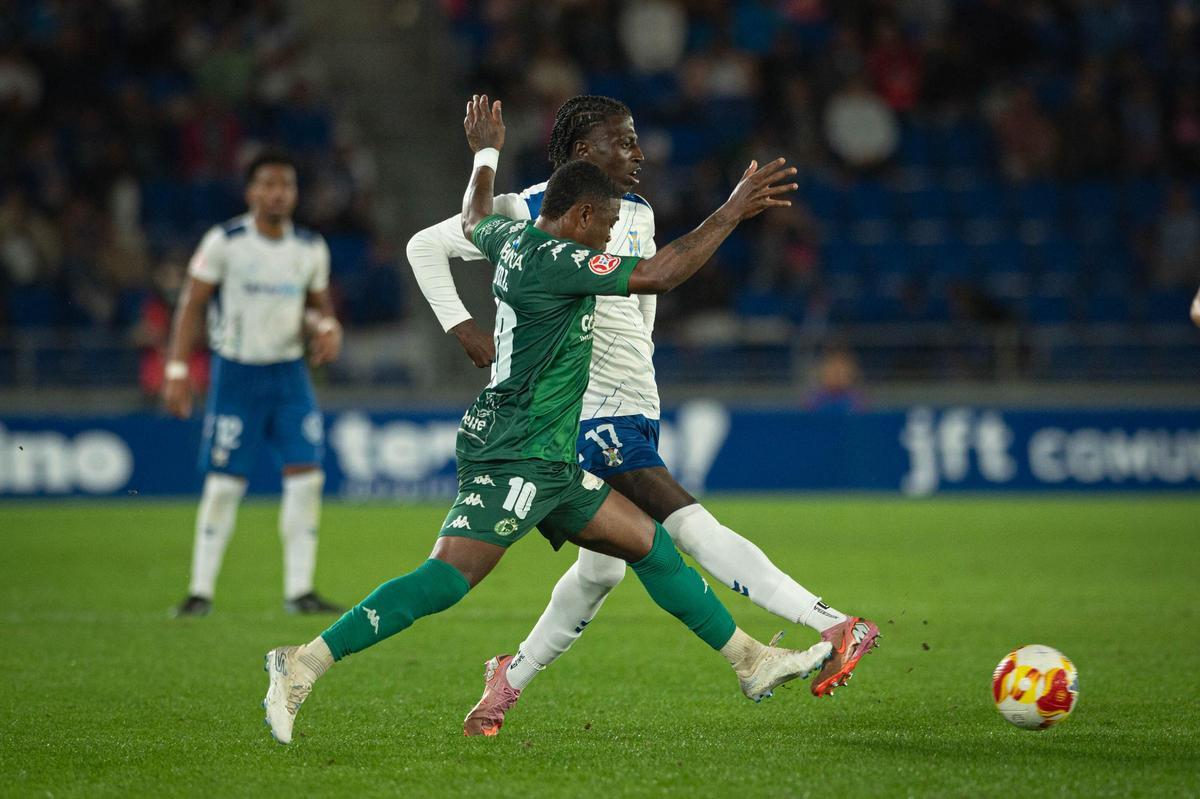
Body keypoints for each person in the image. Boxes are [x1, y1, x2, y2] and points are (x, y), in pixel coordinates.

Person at [261, 95, 832, 745]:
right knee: (446, 579)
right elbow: (662, 273)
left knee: (646, 544)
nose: (610, 234)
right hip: (517, 448)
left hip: (551, 451)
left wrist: (485, 152)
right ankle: (302, 661)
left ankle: (751, 660)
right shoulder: (558, 263)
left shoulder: (511, 233)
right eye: (607, 224)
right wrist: (732, 210)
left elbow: (475, 214)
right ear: (582, 214)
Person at [406, 94, 880, 737]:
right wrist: (463, 326)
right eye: (622, 142)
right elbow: (426, 246)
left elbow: (640, 305)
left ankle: (506, 682)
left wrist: (642, 367)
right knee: (682, 519)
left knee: (601, 568)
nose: (639, 153)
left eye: (636, 141)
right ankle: (829, 622)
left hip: (633, 398)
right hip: (586, 408)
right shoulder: (531, 208)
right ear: (581, 153)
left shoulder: (636, 211)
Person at [164, 150, 345, 617]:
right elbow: (192, 303)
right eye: (267, 184)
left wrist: (327, 327)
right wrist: (178, 369)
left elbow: (318, 308)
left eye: (286, 184)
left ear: (295, 193)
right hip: (236, 374)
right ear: (251, 192)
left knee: (307, 479)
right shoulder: (226, 242)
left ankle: (300, 590)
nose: (277, 192)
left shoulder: (309, 246)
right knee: (225, 485)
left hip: (289, 376)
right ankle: (200, 591)